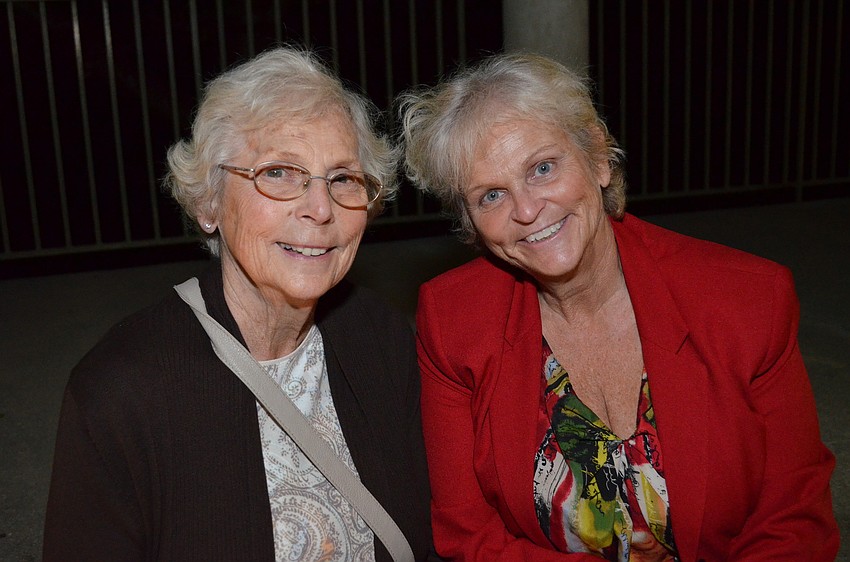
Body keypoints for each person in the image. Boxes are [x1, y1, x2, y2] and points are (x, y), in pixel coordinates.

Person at [398, 52, 839, 561]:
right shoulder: (453, 319)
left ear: (599, 157)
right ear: (471, 223)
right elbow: (467, 535)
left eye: (542, 168)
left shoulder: (746, 299)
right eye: (491, 195)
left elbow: (793, 523)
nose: (525, 210)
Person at [43, 46, 434, 561]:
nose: (320, 208)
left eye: (342, 178)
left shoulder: (383, 339)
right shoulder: (119, 393)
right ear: (209, 202)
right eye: (278, 172)